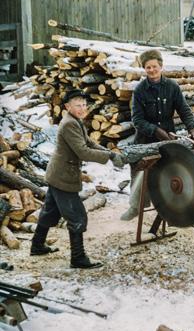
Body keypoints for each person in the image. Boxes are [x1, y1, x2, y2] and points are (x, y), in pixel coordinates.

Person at [30, 90, 126, 269]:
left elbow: (89, 143)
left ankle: (37, 245)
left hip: (58, 173)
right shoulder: (68, 124)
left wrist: (110, 153)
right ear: (67, 107)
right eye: (77, 105)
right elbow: (83, 151)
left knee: (50, 211)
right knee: (77, 216)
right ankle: (78, 258)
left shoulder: (75, 121)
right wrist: (109, 157)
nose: (82, 109)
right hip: (63, 176)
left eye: (84, 105)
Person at [120, 49, 194, 221]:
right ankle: (136, 206)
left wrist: (193, 129)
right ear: (144, 69)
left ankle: (171, 208)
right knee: (139, 170)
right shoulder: (140, 91)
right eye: (148, 67)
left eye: (154, 66)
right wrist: (155, 131)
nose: (151, 70)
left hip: (168, 138)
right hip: (145, 140)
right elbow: (137, 120)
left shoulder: (172, 87)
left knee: (169, 171)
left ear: (161, 66)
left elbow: (184, 110)